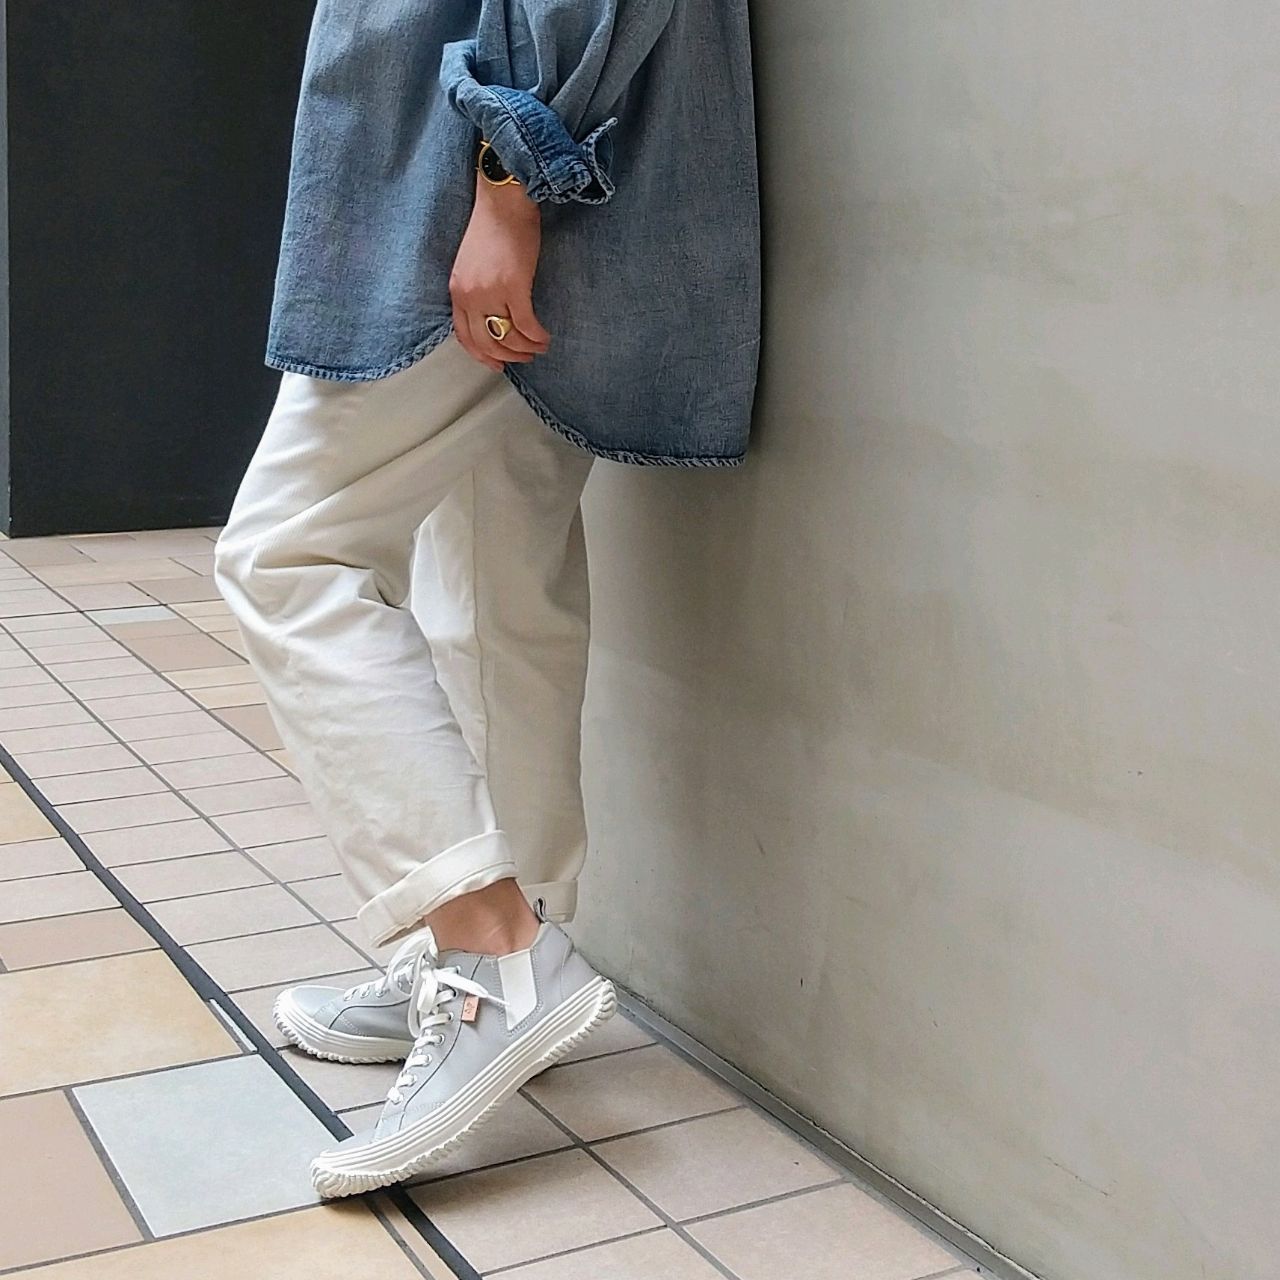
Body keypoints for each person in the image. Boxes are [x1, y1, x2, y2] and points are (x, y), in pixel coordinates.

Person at [214, 0, 760, 1198]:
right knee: (497, 580)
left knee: (286, 557)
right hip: (511, 185)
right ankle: (515, 949)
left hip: (477, 191)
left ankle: (492, 951)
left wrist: (512, 179)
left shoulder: (501, 184)